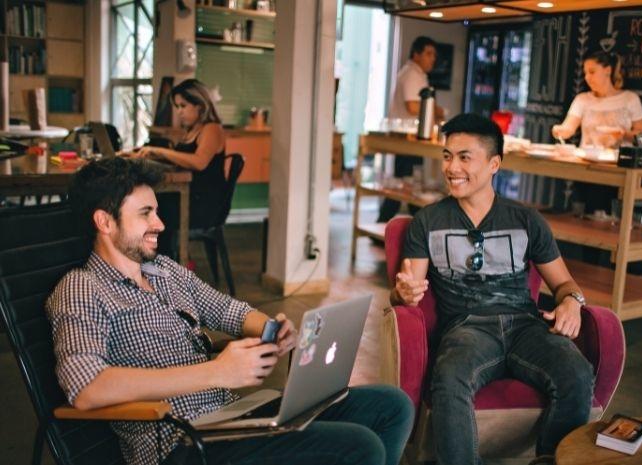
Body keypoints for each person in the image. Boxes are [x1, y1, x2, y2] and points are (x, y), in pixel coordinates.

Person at [46, 157, 414, 465]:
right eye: (146, 213)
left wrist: (270, 328)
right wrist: (216, 372)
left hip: (230, 419)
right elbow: (87, 388)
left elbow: (228, 310)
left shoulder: (165, 271)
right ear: (105, 222)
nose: (160, 224)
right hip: (182, 444)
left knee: (391, 406)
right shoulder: (82, 288)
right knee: (360, 447)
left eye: (156, 211)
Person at [392, 114, 594, 465]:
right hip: (467, 328)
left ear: (494, 164)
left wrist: (572, 303)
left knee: (576, 373)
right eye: (447, 156)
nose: (451, 167)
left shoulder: (526, 220)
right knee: (450, 378)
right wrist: (403, 295)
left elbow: (564, 284)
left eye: (464, 157)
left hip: (526, 326)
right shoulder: (428, 221)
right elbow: (407, 290)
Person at [131, 79, 229, 258]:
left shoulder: (212, 129)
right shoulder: (192, 130)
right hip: (191, 195)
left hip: (204, 204)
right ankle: (156, 262)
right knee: (149, 206)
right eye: (177, 106)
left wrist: (159, 150)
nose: (179, 111)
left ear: (199, 106)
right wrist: (150, 154)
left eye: (183, 105)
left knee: (153, 210)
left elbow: (199, 162)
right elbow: (183, 160)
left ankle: (163, 265)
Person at [377, 36, 446, 224]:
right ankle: (386, 225)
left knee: (408, 184)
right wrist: (437, 110)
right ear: (416, 54)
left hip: (413, 139)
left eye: (434, 55)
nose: (432, 59)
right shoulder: (412, 74)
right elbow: (413, 107)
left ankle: (414, 226)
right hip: (408, 139)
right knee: (406, 185)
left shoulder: (415, 74)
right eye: (428, 54)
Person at [552, 51, 642, 148]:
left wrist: (623, 134)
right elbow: (569, 128)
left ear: (608, 70)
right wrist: (560, 131)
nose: (587, 77)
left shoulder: (630, 98)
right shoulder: (582, 99)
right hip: (586, 158)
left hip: (620, 159)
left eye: (592, 72)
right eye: (585, 73)